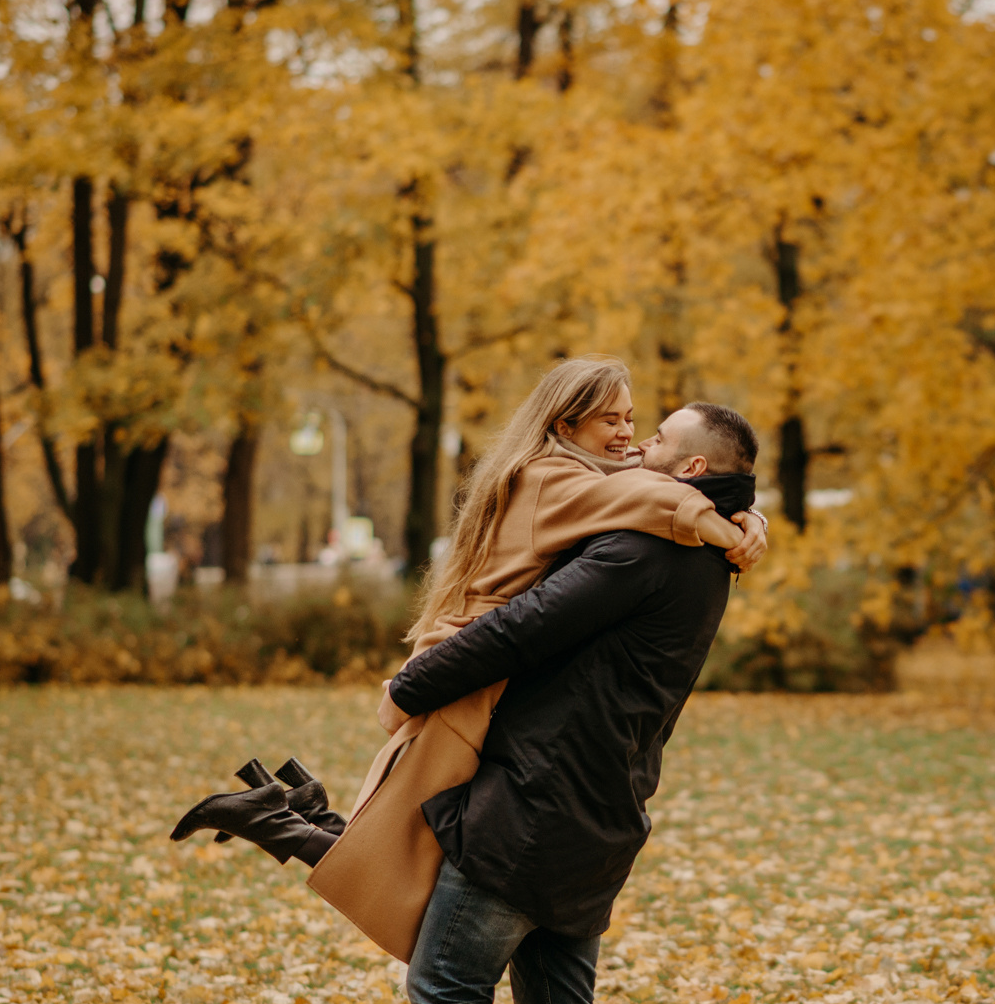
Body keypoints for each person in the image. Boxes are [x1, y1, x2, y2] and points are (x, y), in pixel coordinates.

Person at [169, 357, 767, 963]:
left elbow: (656, 487)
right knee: (406, 863)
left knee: (415, 848)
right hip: (468, 669)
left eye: (632, 419)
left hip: (475, 666)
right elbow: (665, 502)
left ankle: (291, 812)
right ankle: (277, 820)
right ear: (564, 426)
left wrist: (749, 512)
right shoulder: (557, 479)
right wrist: (736, 532)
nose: (630, 437)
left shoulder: (578, 475)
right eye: (610, 420)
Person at [378, 401, 762, 1004]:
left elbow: (523, 627)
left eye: (658, 438)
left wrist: (411, 687)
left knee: (446, 990)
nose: (640, 443)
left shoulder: (644, 550)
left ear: (692, 471)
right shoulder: (709, 554)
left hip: (536, 802)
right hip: (606, 809)